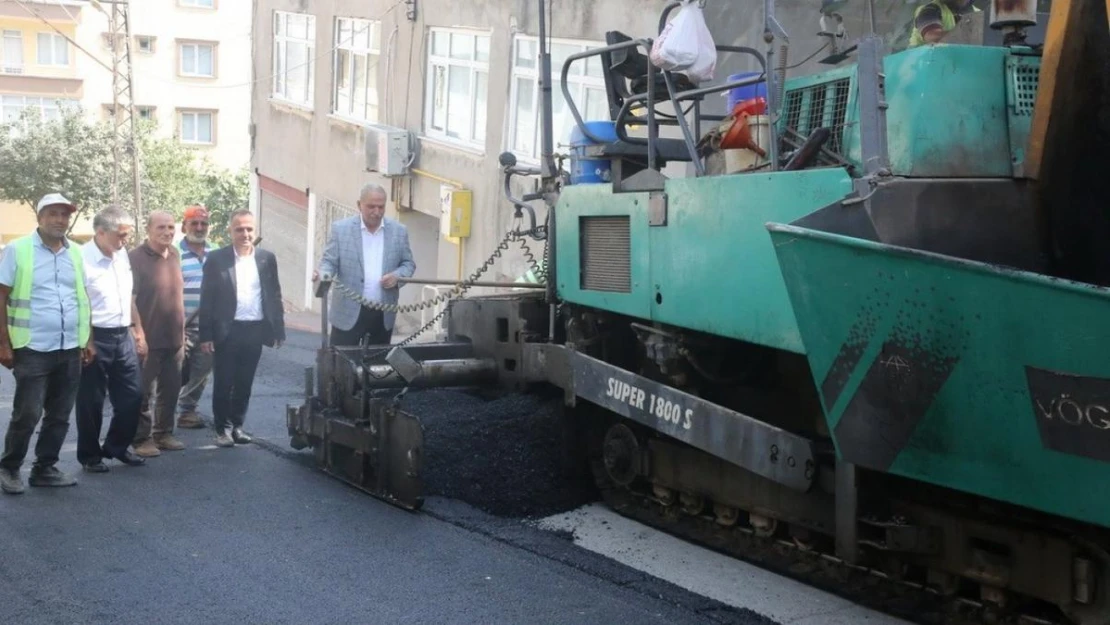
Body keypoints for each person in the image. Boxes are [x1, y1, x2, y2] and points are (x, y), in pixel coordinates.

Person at [0, 193, 94, 494]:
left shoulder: (77, 254)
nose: (59, 220)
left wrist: (87, 338)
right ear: (40, 217)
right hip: (32, 347)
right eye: (53, 213)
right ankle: (10, 467)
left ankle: (45, 467)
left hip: (69, 347)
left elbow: (81, 298)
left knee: (60, 414)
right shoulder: (18, 250)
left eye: (64, 215)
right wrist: (3, 343)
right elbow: (1, 295)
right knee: (27, 413)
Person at [198, 209, 285, 448]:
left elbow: (274, 295)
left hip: (254, 329)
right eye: (239, 229)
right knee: (224, 381)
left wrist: (278, 329)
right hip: (227, 331)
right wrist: (205, 335)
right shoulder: (217, 259)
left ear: (255, 231)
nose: (245, 234)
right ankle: (222, 429)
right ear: (230, 231)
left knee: (245, 382)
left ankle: (237, 426)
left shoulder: (267, 259)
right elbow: (207, 300)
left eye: (249, 229)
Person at [76, 206, 148, 472]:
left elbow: (128, 297)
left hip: (123, 334)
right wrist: (88, 340)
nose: (125, 240)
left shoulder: (121, 256)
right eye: (121, 235)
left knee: (133, 395)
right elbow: (80, 303)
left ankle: (117, 447)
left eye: (127, 235)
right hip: (94, 336)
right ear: (100, 232)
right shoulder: (81, 258)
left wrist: (138, 330)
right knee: (91, 401)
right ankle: (90, 456)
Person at [315, 182, 416, 347]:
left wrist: (397, 276)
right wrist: (323, 274)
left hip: (382, 314)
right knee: (342, 366)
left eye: (381, 207)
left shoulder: (399, 231)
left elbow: (408, 264)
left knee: (377, 367)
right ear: (359, 205)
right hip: (348, 313)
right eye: (371, 207)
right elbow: (329, 262)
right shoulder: (341, 230)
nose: (376, 212)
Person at [129, 210, 186, 457]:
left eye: (171, 227)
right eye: (161, 227)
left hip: (174, 338)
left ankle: (164, 433)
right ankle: (141, 439)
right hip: (148, 339)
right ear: (148, 229)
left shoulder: (174, 254)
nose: (167, 232)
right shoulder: (134, 258)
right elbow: (129, 300)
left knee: (170, 390)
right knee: (142, 392)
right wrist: (138, 333)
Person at [176, 204, 215, 430]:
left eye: (203, 224)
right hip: (180, 327)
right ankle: (157, 417)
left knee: (201, 371)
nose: (199, 228)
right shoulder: (174, 253)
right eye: (194, 223)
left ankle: (187, 412)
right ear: (184, 226)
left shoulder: (216, 253)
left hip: (208, 328)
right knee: (173, 373)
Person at [909, 0, 980, 47]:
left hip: (950, 63)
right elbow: (932, 37)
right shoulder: (929, 9)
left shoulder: (978, 13)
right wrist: (970, 35)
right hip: (919, 63)